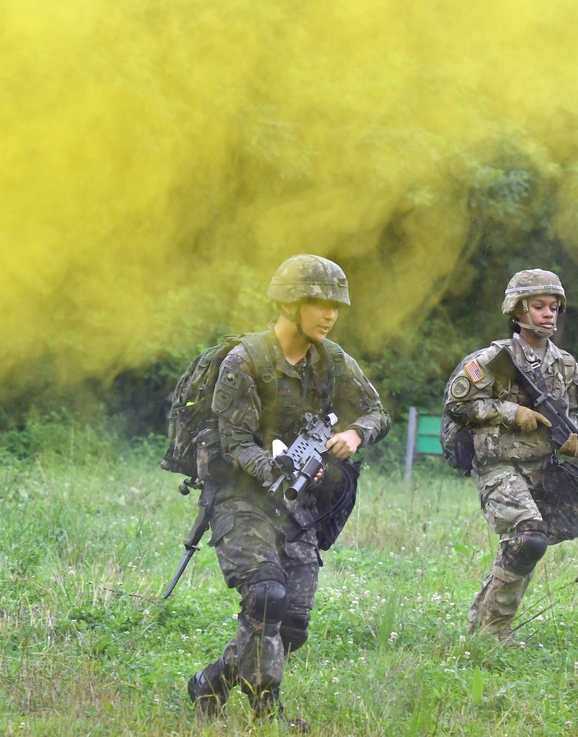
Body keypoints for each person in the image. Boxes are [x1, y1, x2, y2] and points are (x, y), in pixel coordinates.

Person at [186, 254, 391, 725]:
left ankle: (211, 682)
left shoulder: (331, 360)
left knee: (292, 625)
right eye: (319, 304)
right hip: (240, 495)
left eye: (336, 305)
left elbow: (375, 409)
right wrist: (275, 471)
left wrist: (355, 434)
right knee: (266, 597)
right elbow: (234, 442)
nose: (331, 314)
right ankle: (267, 712)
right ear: (290, 304)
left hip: (293, 500)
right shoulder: (245, 361)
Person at [445, 269, 578, 643]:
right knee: (528, 537)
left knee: (530, 541)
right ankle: (493, 630)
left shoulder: (567, 366)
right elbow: (458, 404)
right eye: (538, 306)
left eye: (553, 307)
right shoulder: (494, 359)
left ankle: (484, 621)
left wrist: (572, 442)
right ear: (517, 309)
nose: (548, 314)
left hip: (544, 467)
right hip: (498, 464)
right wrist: (511, 412)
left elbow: (568, 419)